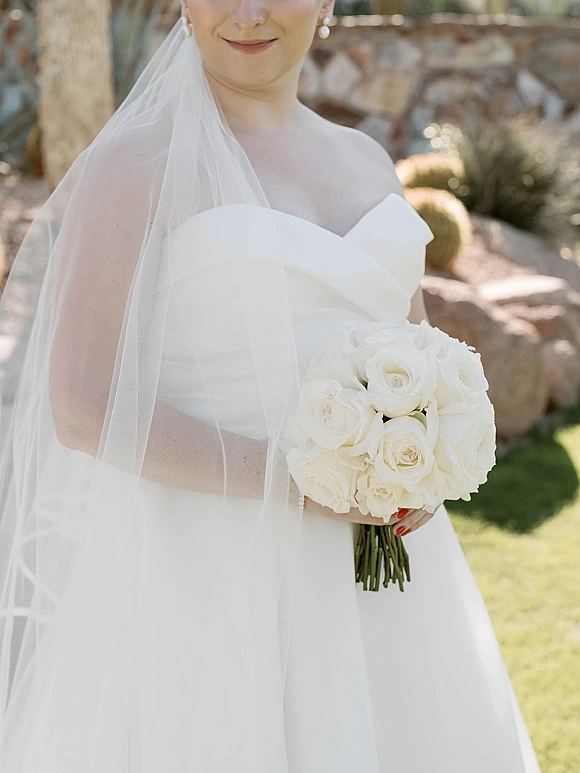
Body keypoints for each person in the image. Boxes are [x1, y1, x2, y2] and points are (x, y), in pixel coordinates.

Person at [0, 2, 542, 771]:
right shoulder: (135, 165)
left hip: (388, 577)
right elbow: (81, 407)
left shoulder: (365, 159)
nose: (248, 13)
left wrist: (426, 455)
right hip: (210, 581)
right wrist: (297, 483)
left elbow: (417, 348)